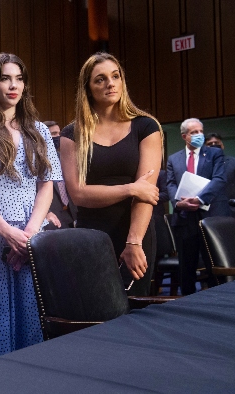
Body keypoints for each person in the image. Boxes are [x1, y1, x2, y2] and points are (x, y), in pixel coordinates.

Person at [0, 53, 62, 358]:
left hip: (32, 236)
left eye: (19, 78)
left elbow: (47, 183)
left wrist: (30, 234)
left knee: (34, 316)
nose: (13, 85)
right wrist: (6, 232)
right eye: (5, 78)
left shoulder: (39, 129)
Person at [60, 52, 162, 297]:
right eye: (100, 79)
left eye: (115, 76)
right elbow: (78, 194)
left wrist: (134, 241)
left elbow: (146, 194)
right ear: (88, 88)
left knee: (136, 310)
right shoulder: (71, 134)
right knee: (95, 312)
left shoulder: (146, 126)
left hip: (135, 232)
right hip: (91, 236)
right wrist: (130, 188)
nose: (111, 83)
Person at [167, 118, 231, 295]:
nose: (199, 135)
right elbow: (170, 183)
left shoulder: (214, 154)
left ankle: (216, 301)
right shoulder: (174, 159)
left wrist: (200, 198)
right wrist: (177, 203)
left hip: (209, 216)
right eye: (194, 132)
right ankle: (186, 302)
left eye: (201, 131)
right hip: (185, 219)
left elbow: (219, 179)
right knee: (186, 267)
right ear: (184, 136)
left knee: (213, 265)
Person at [205, 132, 235, 227]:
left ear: (222, 146)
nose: (214, 145)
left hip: (231, 212)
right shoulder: (200, 165)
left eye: (216, 143)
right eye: (209, 144)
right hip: (206, 213)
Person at [43, 120, 76, 230]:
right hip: (52, 216)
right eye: (53, 134)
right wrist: (45, 212)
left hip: (71, 213)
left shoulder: (63, 157)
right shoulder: (35, 160)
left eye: (59, 133)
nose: (58, 137)